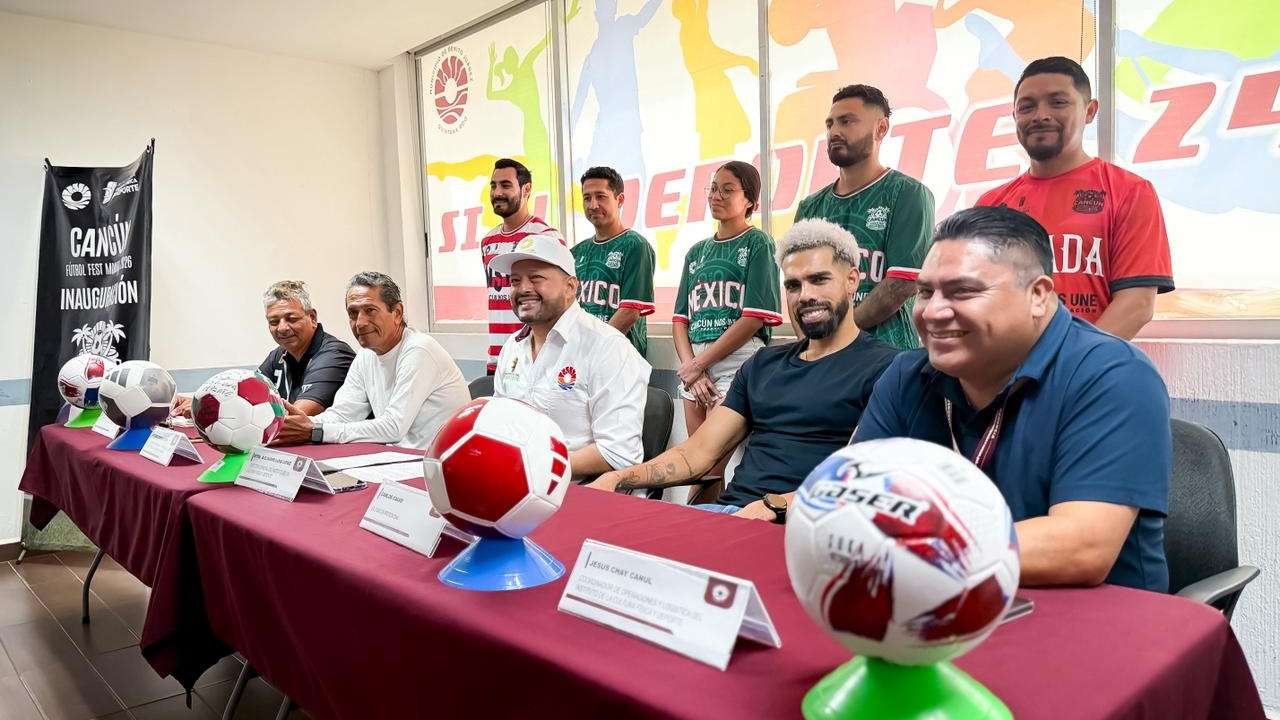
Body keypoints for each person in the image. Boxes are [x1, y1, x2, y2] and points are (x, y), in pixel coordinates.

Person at [854, 206, 1171, 592]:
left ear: (1038, 295)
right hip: (940, 603)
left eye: (963, 291)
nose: (932, 312)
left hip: (1090, 625)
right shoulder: (907, 375)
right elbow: (853, 499)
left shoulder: (1113, 375)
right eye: (924, 292)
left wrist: (909, 549)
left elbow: (1081, 548)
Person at [587, 219, 899, 519]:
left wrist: (775, 506)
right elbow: (696, 454)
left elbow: (861, 480)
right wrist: (618, 479)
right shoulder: (763, 365)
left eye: (819, 279)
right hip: (730, 516)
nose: (805, 296)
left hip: (808, 527)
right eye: (792, 285)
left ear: (852, 281)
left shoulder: (887, 368)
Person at [977, 56, 1174, 340]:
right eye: (1027, 106)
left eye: (1058, 102)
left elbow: (1138, 304)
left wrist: (1071, 364)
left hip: (1088, 375)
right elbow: (980, 299)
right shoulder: (991, 205)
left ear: (1090, 111)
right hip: (1006, 373)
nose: (1040, 115)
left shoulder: (1130, 191)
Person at [489, 233, 651, 478]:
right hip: (516, 488)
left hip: (584, 494)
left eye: (536, 278)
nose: (523, 289)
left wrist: (538, 467)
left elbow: (618, 453)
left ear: (571, 287)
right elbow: (499, 426)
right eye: (514, 281)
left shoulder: (607, 347)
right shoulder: (512, 347)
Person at [795, 84, 935, 350]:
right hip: (822, 356)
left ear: (880, 128)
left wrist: (838, 336)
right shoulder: (810, 207)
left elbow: (902, 283)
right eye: (830, 124)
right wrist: (812, 346)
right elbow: (797, 286)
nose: (834, 131)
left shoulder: (908, 194)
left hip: (886, 354)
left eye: (847, 121)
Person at [274, 272, 469, 450]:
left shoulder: (419, 350)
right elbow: (343, 413)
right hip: (395, 459)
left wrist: (316, 431)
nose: (360, 322)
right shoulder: (366, 355)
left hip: (430, 465)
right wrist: (305, 423)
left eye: (370, 310)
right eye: (353, 313)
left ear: (397, 313)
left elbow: (393, 427)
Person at [673, 160, 782, 450]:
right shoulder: (696, 252)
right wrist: (690, 366)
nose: (716, 196)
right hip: (695, 365)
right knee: (695, 467)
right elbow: (680, 319)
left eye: (727, 190)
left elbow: (753, 318)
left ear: (750, 202)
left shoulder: (759, 243)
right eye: (713, 189)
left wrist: (698, 365)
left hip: (737, 361)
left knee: (707, 459)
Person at [172, 280, 354, 417]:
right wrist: (204, 402)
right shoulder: (279, 355)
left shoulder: (334, 355)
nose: (282, 328)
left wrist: (215, 411)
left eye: (291, 318)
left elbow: (297, 416)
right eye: (274, 322)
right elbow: (246, 394)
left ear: (312, 318)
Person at [482, 158, 564, 374]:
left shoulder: (546, 236)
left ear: (526, 189)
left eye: (506, 185)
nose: (497, 192)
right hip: (498, 358)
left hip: (536, 359)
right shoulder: (488, 241)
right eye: (493, 185)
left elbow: (561, 300)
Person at [572, 166, 657, 356]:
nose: (593, 205)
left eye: (600, 196)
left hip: (619, 358)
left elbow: (629, 312)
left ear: (620, 200)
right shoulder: (576, 252)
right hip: (579, 359)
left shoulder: (635, 245)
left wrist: (592, 351)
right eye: (587, 198)